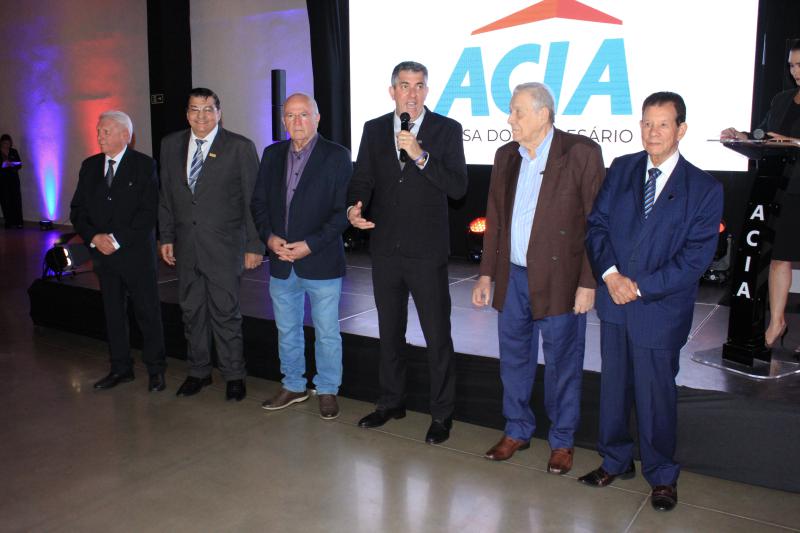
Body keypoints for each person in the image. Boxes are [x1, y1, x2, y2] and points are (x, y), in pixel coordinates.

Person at [581, 92, 723, 512]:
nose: (653, 132)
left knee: (655, 396)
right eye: (646, 123)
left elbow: (695, 258)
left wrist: (639, 287)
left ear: (681, 129)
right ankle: (614, 459)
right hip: (614, 301)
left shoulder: (704, 188)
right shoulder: (623, 168)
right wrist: (610, 276)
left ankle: (662, 475)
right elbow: (597, 226)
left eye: (663, 124)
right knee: (613, 388)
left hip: (659, 310)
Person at [471, 82, 604, 474]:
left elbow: (597, 223)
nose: (509, 119)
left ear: (543, 114)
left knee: (563, 363)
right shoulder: (506, 156)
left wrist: (588, 282)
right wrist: (485, 275)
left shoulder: (580, 153)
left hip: (562, 281)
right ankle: (517, 429)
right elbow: (495, 218)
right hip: (513, 278)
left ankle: (562, 441)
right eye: (511, 111)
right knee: (513, 359)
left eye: (517, 111)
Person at [348, 61, 467, 444]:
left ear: (426, 91)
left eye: (418, 86)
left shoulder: (447, 130)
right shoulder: (373, 129)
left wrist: (420, 155)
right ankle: (391, 402)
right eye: (404, 85)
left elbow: (458, 187)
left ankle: (442, 414)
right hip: (385, 249)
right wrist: (354, 207)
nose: (411, 93)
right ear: (392, 91)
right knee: (389, 331)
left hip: (426, 252)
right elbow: (363, 177)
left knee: (437, 335)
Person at [158, 88, 264, 402]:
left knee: (225, 313)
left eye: (208, 109)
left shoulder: (240, 147)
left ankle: (234, 375)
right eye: (194, 109)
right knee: (192, 312)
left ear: (219, 113)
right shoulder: (170, 145)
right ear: (186, 113)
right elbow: (166, 195)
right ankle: (198, 372)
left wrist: (254, 245)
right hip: (186, 246)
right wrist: (166, 236)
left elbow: (253, 201)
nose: (201, 116)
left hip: (225, 248)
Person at [251, 93, 352, 419]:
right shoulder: (271, 154)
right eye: (290, 115)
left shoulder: (337, 156)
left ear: (317, 118)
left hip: (321, 261)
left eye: (304, 114)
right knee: (287, 330)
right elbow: (258, 204)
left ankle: (327, 389)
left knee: (326, 333)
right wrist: (269, 238)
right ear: (283, 120)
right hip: (281, 262)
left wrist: (310, 244)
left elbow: (342, 212)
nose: (297, 121)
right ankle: (293, 385)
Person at [70, 111, 167, 391]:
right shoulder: (89, 166)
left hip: (136, 255)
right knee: (113, 313)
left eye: (106, 132)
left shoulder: (144, 165)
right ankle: (120, 368)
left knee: (147, 313)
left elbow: (148, 213)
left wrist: (115, 239)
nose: (99, 136)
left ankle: (156, 370)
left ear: (125, 135)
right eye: (99, 131)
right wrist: (94, 237)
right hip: (103, 256)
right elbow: (77, 210)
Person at [721, 39, 800, 349]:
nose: (795, 71)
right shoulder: (782, 99)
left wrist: (794, 143)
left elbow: (786, 141)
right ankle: (777, 322)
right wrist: (740, 137)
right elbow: (764, 137)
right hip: (783, 190)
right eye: (792, 65)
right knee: (779, 257)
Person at [0, 133, 24, 228]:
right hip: (2, 180)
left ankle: (18, 222)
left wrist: (13, 164)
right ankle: (8, 221)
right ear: (1, 143)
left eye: (9, 143)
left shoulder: (14, 151)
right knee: (5, 200)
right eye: (5, 143)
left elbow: (19, 164)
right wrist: (3, 165)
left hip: (13, 179)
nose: (7, 145)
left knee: (16, 200)